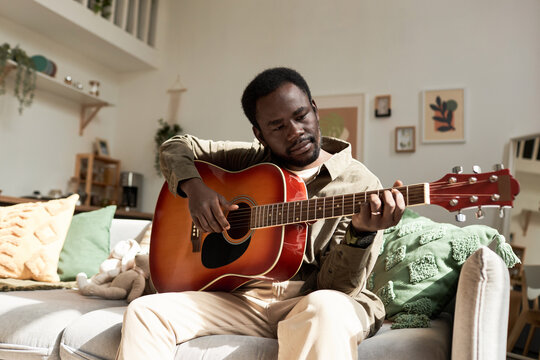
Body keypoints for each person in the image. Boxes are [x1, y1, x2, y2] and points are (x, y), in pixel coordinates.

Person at [116, 67, 405, 360]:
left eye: (301, 116)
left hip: (310, 299)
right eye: (277, 127)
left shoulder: (361, 185)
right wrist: (194, 189)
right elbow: (176, 146)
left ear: (315, 111)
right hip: (242, 300)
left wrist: (361, 234)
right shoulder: (252, 160)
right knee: (145, 313)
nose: (295, 131)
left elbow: (337, 289)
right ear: (259, 134)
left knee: (325, 308)